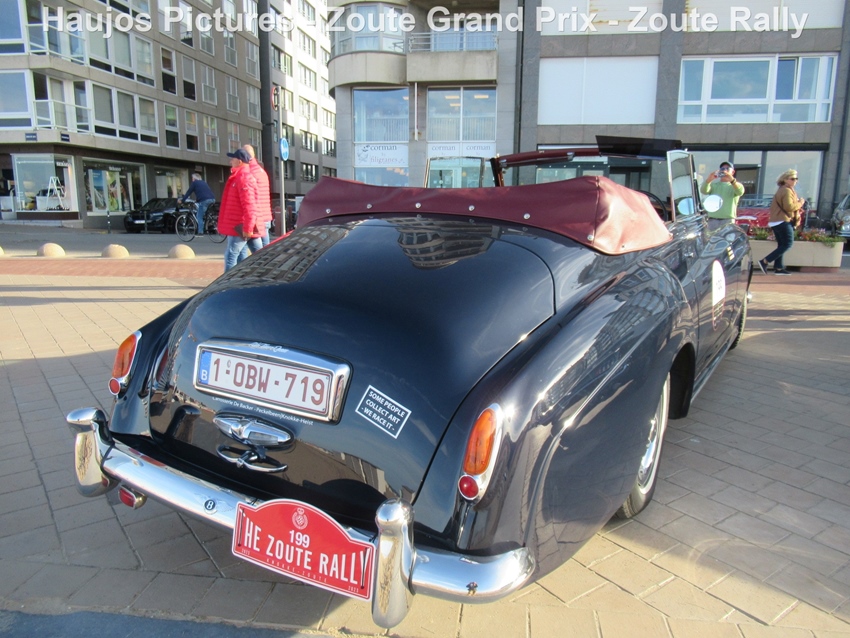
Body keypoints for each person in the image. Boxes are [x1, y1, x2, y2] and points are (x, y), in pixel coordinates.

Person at [218, 149, 263, 271]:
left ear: (239, 161)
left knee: (231, 255)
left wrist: (248, 228)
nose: (230, 161)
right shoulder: (241, 177)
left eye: (232, 159)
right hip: (243, 225)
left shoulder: (243, 178)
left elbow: (250, 205)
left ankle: (227, 281)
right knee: (260, 256)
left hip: (240, 225)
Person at [758, 169, 805, 276]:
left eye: (796, 178)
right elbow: (789, 207)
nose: (795, 181)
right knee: (788, 244)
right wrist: (800, 203)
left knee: (782, 245)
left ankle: (779, 268)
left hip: (777, 221)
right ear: (785, 180)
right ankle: (765, 261)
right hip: (782, 220)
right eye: (792, 179)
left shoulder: (784, 190)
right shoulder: (786, 191)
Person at [242, 144, 272, 247]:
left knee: (259, 248)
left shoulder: (250, 172)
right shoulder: (260, 171)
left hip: (258, 216)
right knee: (266, 246)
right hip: (265, 214)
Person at [700, 161, 745, 230]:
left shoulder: (735, 186)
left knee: (728, 236)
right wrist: (709, 179)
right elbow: (703, 191)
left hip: (728, 219)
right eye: (722, 169)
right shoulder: (714, 185)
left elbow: (740, 192)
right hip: (713, 219)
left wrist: (732, 180)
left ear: (733, 172)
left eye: (727, 168)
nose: (724, 170)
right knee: (712, 236)